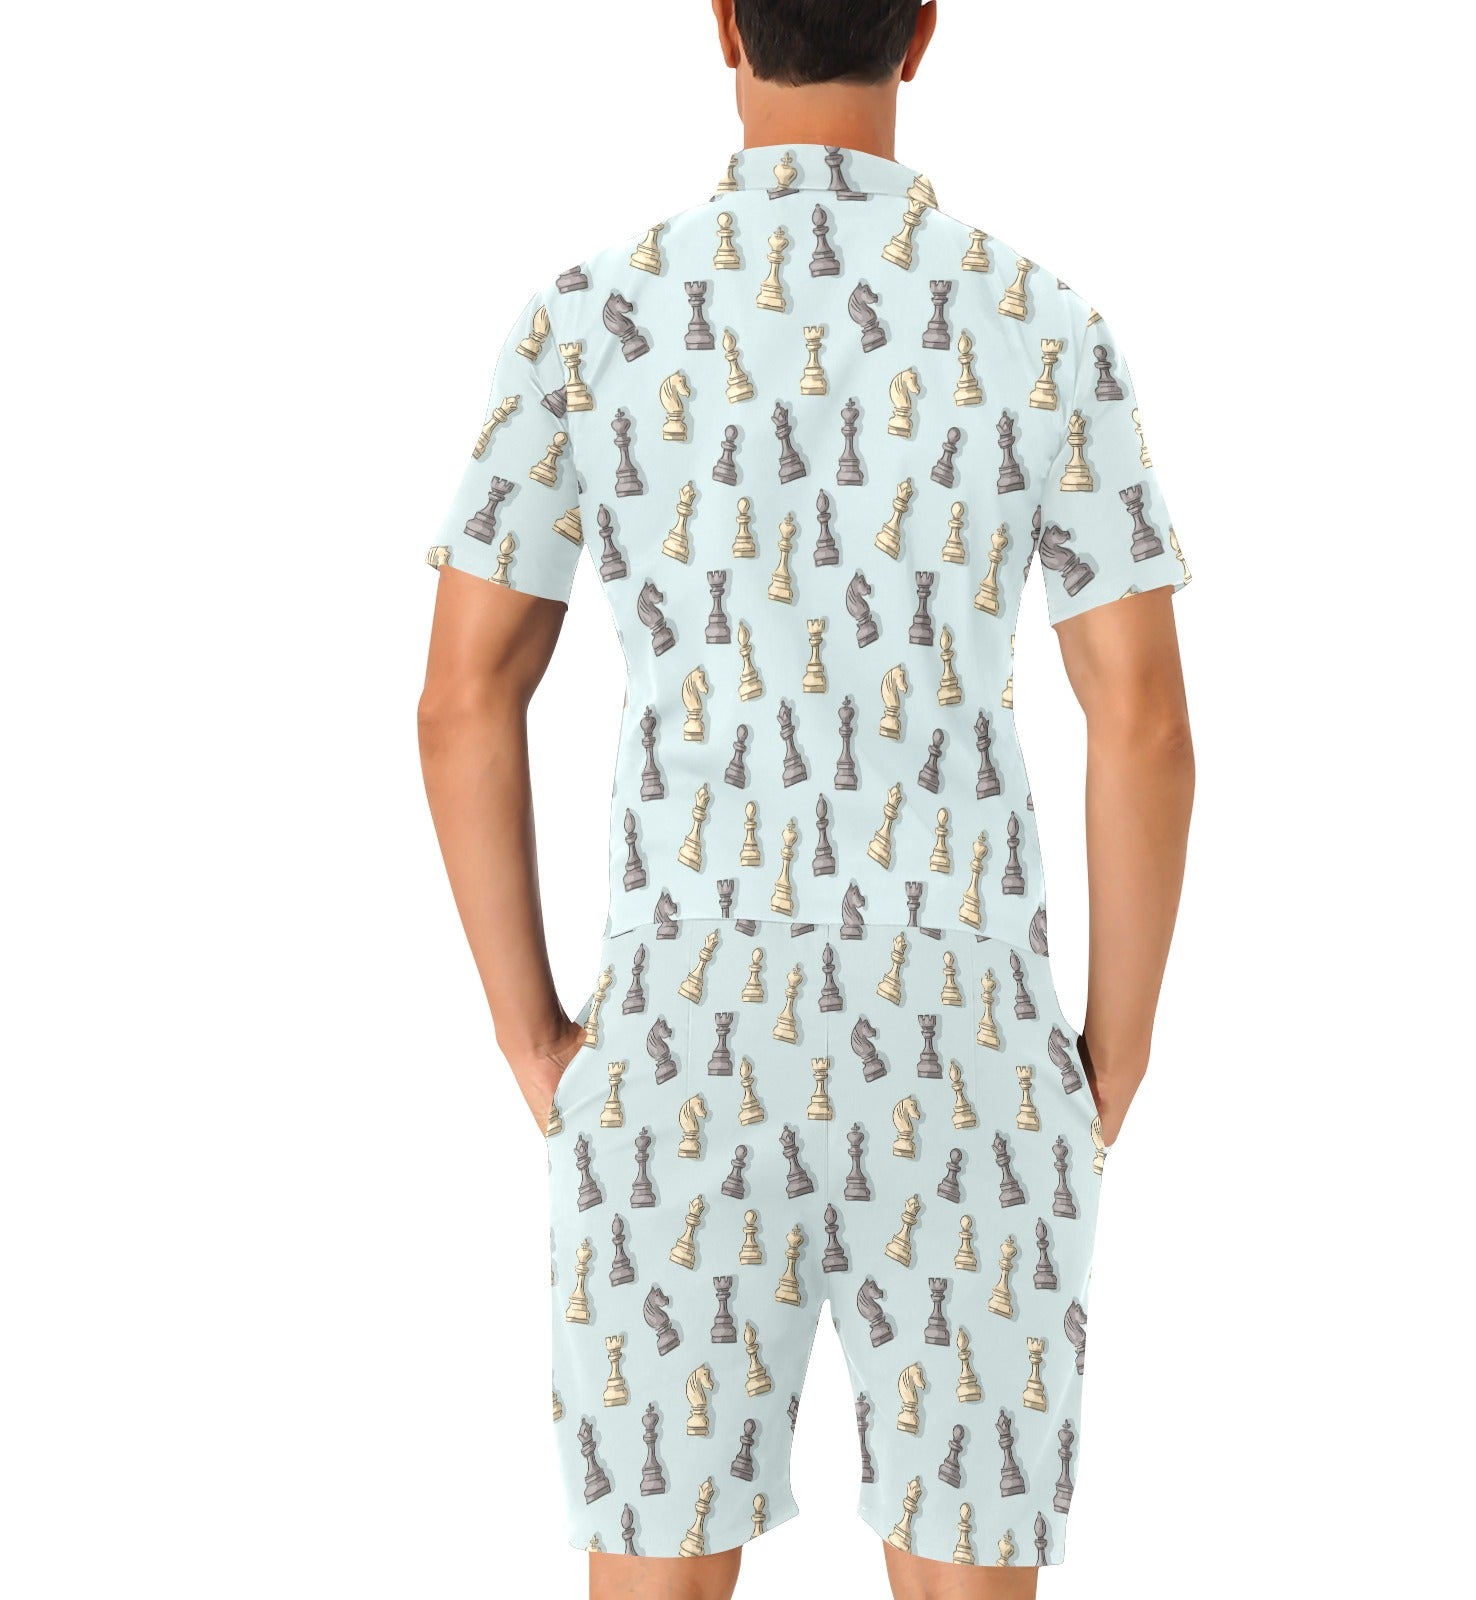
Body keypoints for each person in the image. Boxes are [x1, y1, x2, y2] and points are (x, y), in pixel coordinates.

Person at [416, 2, 1195, 1593]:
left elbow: (461, 699)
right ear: (924, 30)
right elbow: (1142, 719)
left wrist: (533, 1038)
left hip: (686, 1025)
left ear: (722, 23)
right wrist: (1112, 1055)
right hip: (964, 1027)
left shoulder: (591, 319)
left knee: (655, 1562)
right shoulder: (1041, 324)